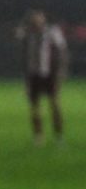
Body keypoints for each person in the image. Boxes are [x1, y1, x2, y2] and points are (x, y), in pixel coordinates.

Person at [17, 10, 68, 145]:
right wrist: (26, 78)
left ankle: (59, 135)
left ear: (44, 19)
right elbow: (24, 55)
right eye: (34, 19)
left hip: (49, 74)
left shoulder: (52, 32)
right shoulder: (28, 34)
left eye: (39, 18)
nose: (37, 21)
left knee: (54, 104)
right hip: (33, 74)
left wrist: (60, 73)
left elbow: (62, 52)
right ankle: (38, 136)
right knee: (34, 107)